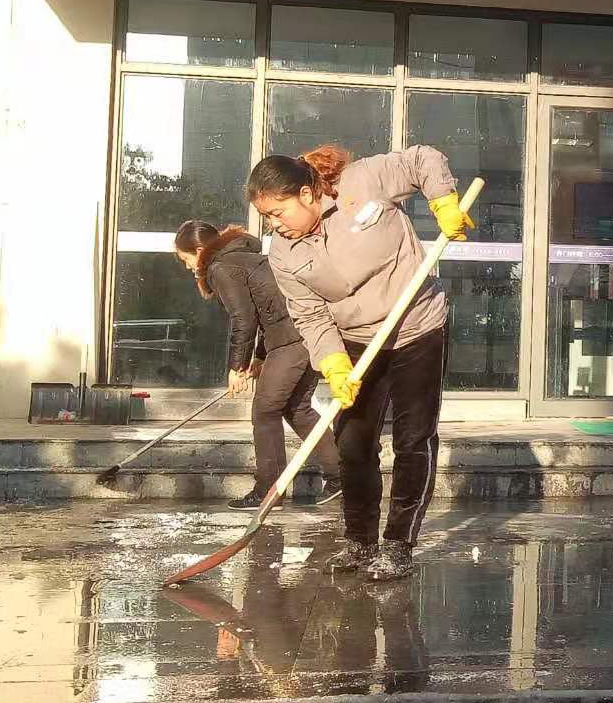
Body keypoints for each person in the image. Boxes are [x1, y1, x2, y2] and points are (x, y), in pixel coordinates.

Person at [247, 144, 474, 582]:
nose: (274, 224)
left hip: (417, 328)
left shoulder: (363, 180)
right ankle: (359, 540)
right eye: (266, 217)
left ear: (307, 194)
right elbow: (309, 313)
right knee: (353, 442)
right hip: (353, 341)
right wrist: (332, 363)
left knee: (413, 438)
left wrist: (443, 200)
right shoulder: (283, 253)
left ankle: (399, 544)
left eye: (277, 212)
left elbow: (422, 159)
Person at [174, 220, 342, 509]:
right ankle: (342, 476)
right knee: (297, 409)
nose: (188, 267)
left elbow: (244, 318)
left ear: (199, 251)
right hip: (306, 334)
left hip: (292, 339)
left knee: (264, 411)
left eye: (185, 259)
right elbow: (267, 308)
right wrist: (261, 358)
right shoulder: (243, 257)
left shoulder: (221, 267)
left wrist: (237, 367)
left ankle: (268, 490)